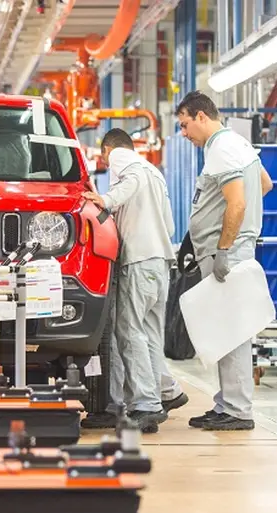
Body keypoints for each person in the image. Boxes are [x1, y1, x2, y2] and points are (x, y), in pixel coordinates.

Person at [176, 90, 274, 431]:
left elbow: (238, 204)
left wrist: (224, 247)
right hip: (231, 249)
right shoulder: (237, 143)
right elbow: (264, 184)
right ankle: (227, 404)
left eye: (186, 125)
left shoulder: (221, 149)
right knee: (227, 331)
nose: (184, 133)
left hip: (226, 254)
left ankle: (237, 409)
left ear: (202, 116)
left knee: (231, 333)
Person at [81, 128, 187, 433]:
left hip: (139, 262)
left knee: (129, 331)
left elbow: (129, 183)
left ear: (108, 151)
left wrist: (105, 200)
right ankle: (156, 397)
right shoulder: (155, 172)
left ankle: (147, 404)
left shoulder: (122, 159)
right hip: (161, 262)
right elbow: (168, 223)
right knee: (151, 335)